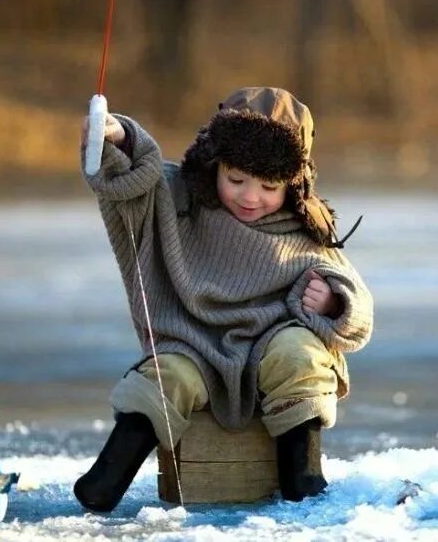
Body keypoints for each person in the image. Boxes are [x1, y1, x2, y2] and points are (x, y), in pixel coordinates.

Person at [73, 87, 373, 511]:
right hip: (192, 345)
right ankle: (106, 480)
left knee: (300, 354)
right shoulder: (179, 199)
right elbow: (137, 175)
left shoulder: (304, 231)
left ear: (294, 183)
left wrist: (331, 304)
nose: (251, 198)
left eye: (270, 186)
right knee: (165, 376)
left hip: (271, 351)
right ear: (213, 164)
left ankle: (302, 477)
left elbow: (359, 312)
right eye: (236, 180)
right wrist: (119, 137)